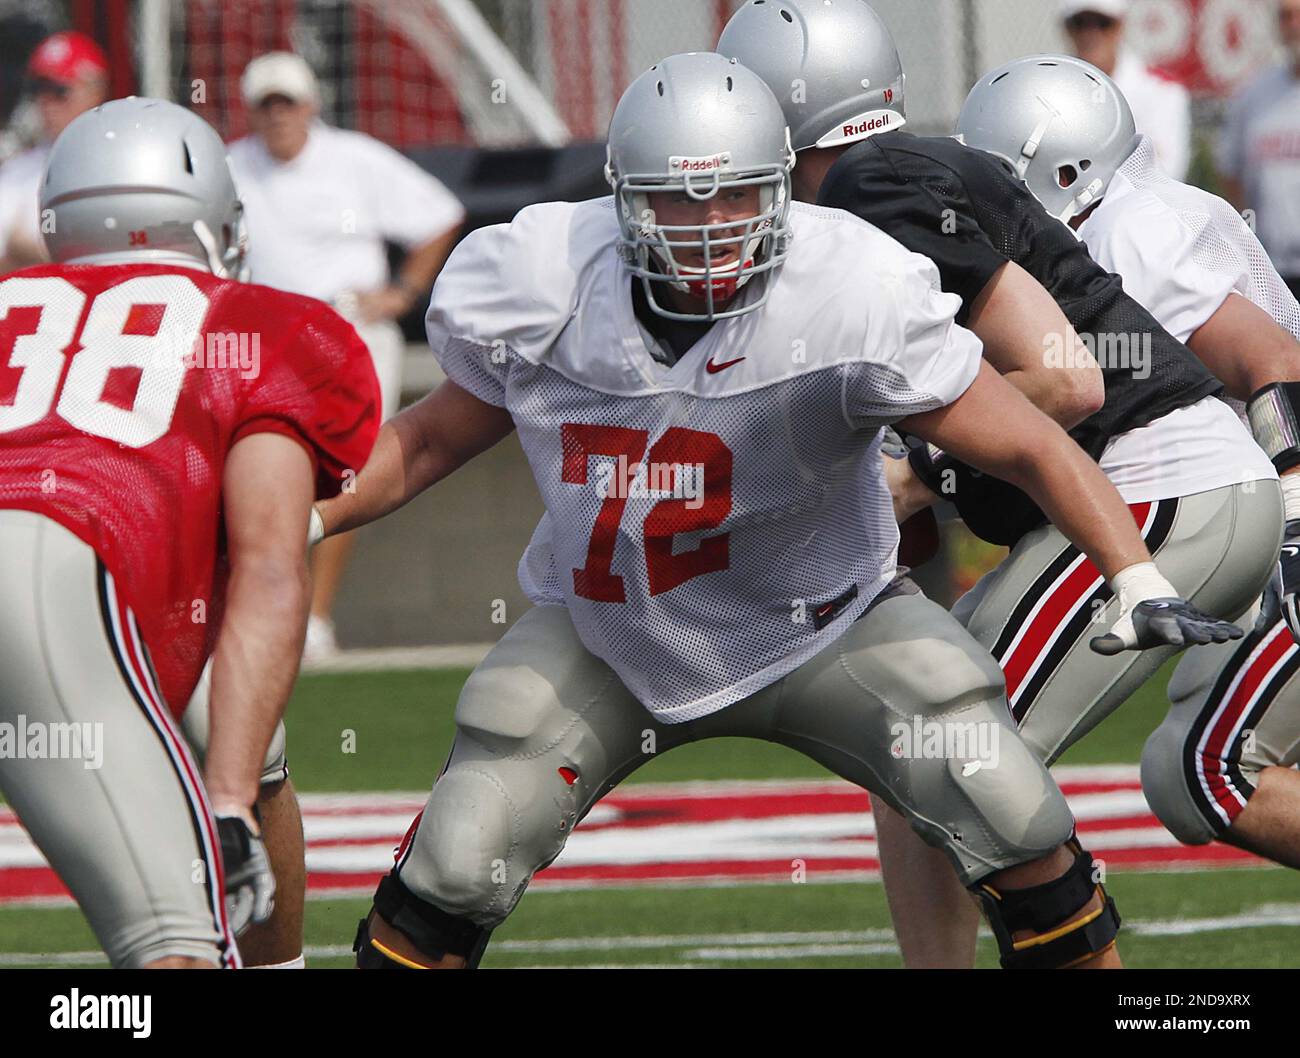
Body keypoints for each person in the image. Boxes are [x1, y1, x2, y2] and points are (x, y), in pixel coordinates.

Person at [314, 52, 1244, 971]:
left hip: (827, 626)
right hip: (611, 631)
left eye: (734, 195)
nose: (710, 226)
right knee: (459, 850)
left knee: (1003, 799)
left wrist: (1132, 572)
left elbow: (1032, 442)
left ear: (786, 188)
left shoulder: (850, 285)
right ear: (619, 198)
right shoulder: (542, 276)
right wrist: (305, 520)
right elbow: (429, 439)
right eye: (678, 199)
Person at [718, 0, 1281, 967]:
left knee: (949, 754)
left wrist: (922, 456)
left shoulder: (873, 186)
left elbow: (1066, 377)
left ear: (781, 117)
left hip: (1165, 488)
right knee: (915, 745)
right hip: (1152, 491)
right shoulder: (901, 175)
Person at [0, 98, 380, 967]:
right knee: (174, 950)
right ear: (210, 221)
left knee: (230, 719)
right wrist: (231, 802)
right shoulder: (269, 328)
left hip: (64, 583)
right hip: (41, 576)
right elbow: (271, 569)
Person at [960, 52, 1300, 875]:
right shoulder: (1105, 228)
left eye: (1000, 183)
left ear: (1067, 169)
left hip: (1268, 510)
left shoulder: (1129, 229)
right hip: (1226, 504)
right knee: (1190, 775)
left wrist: (1292, 517)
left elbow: (1275, 361)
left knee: (1207, 769)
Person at [226, 51, 465, 658]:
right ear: (252, 112)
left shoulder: (355, 158)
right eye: (266, 105)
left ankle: (314, 622)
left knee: (346, 467)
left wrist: (404, 293)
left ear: (310, 106)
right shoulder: (231, 168)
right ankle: (260, 612)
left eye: (287, 103)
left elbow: (440, 216)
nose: (278, 116)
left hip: (348, 333)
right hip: (264, 341)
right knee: (259, 471)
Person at [0, 31, 108, 273]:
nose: (46, 102)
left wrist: (28, 256)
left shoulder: (120, 163)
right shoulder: (17, 169)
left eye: (59, 90)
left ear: (95, 90)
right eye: (38, 89)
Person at [1217, 0, 1300, 302]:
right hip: (1273, 269)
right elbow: (1230, 172)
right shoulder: (1254, 95)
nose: (1293, 24)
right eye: (1285, 16)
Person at [1059, 0, 1191, 180]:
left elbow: (1167, 172)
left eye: (1103, 23)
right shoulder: (1052, 87)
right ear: (1068, 29)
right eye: (1080, 23)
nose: (1091, 34)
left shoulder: (1160, 90)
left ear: (1120, 26)